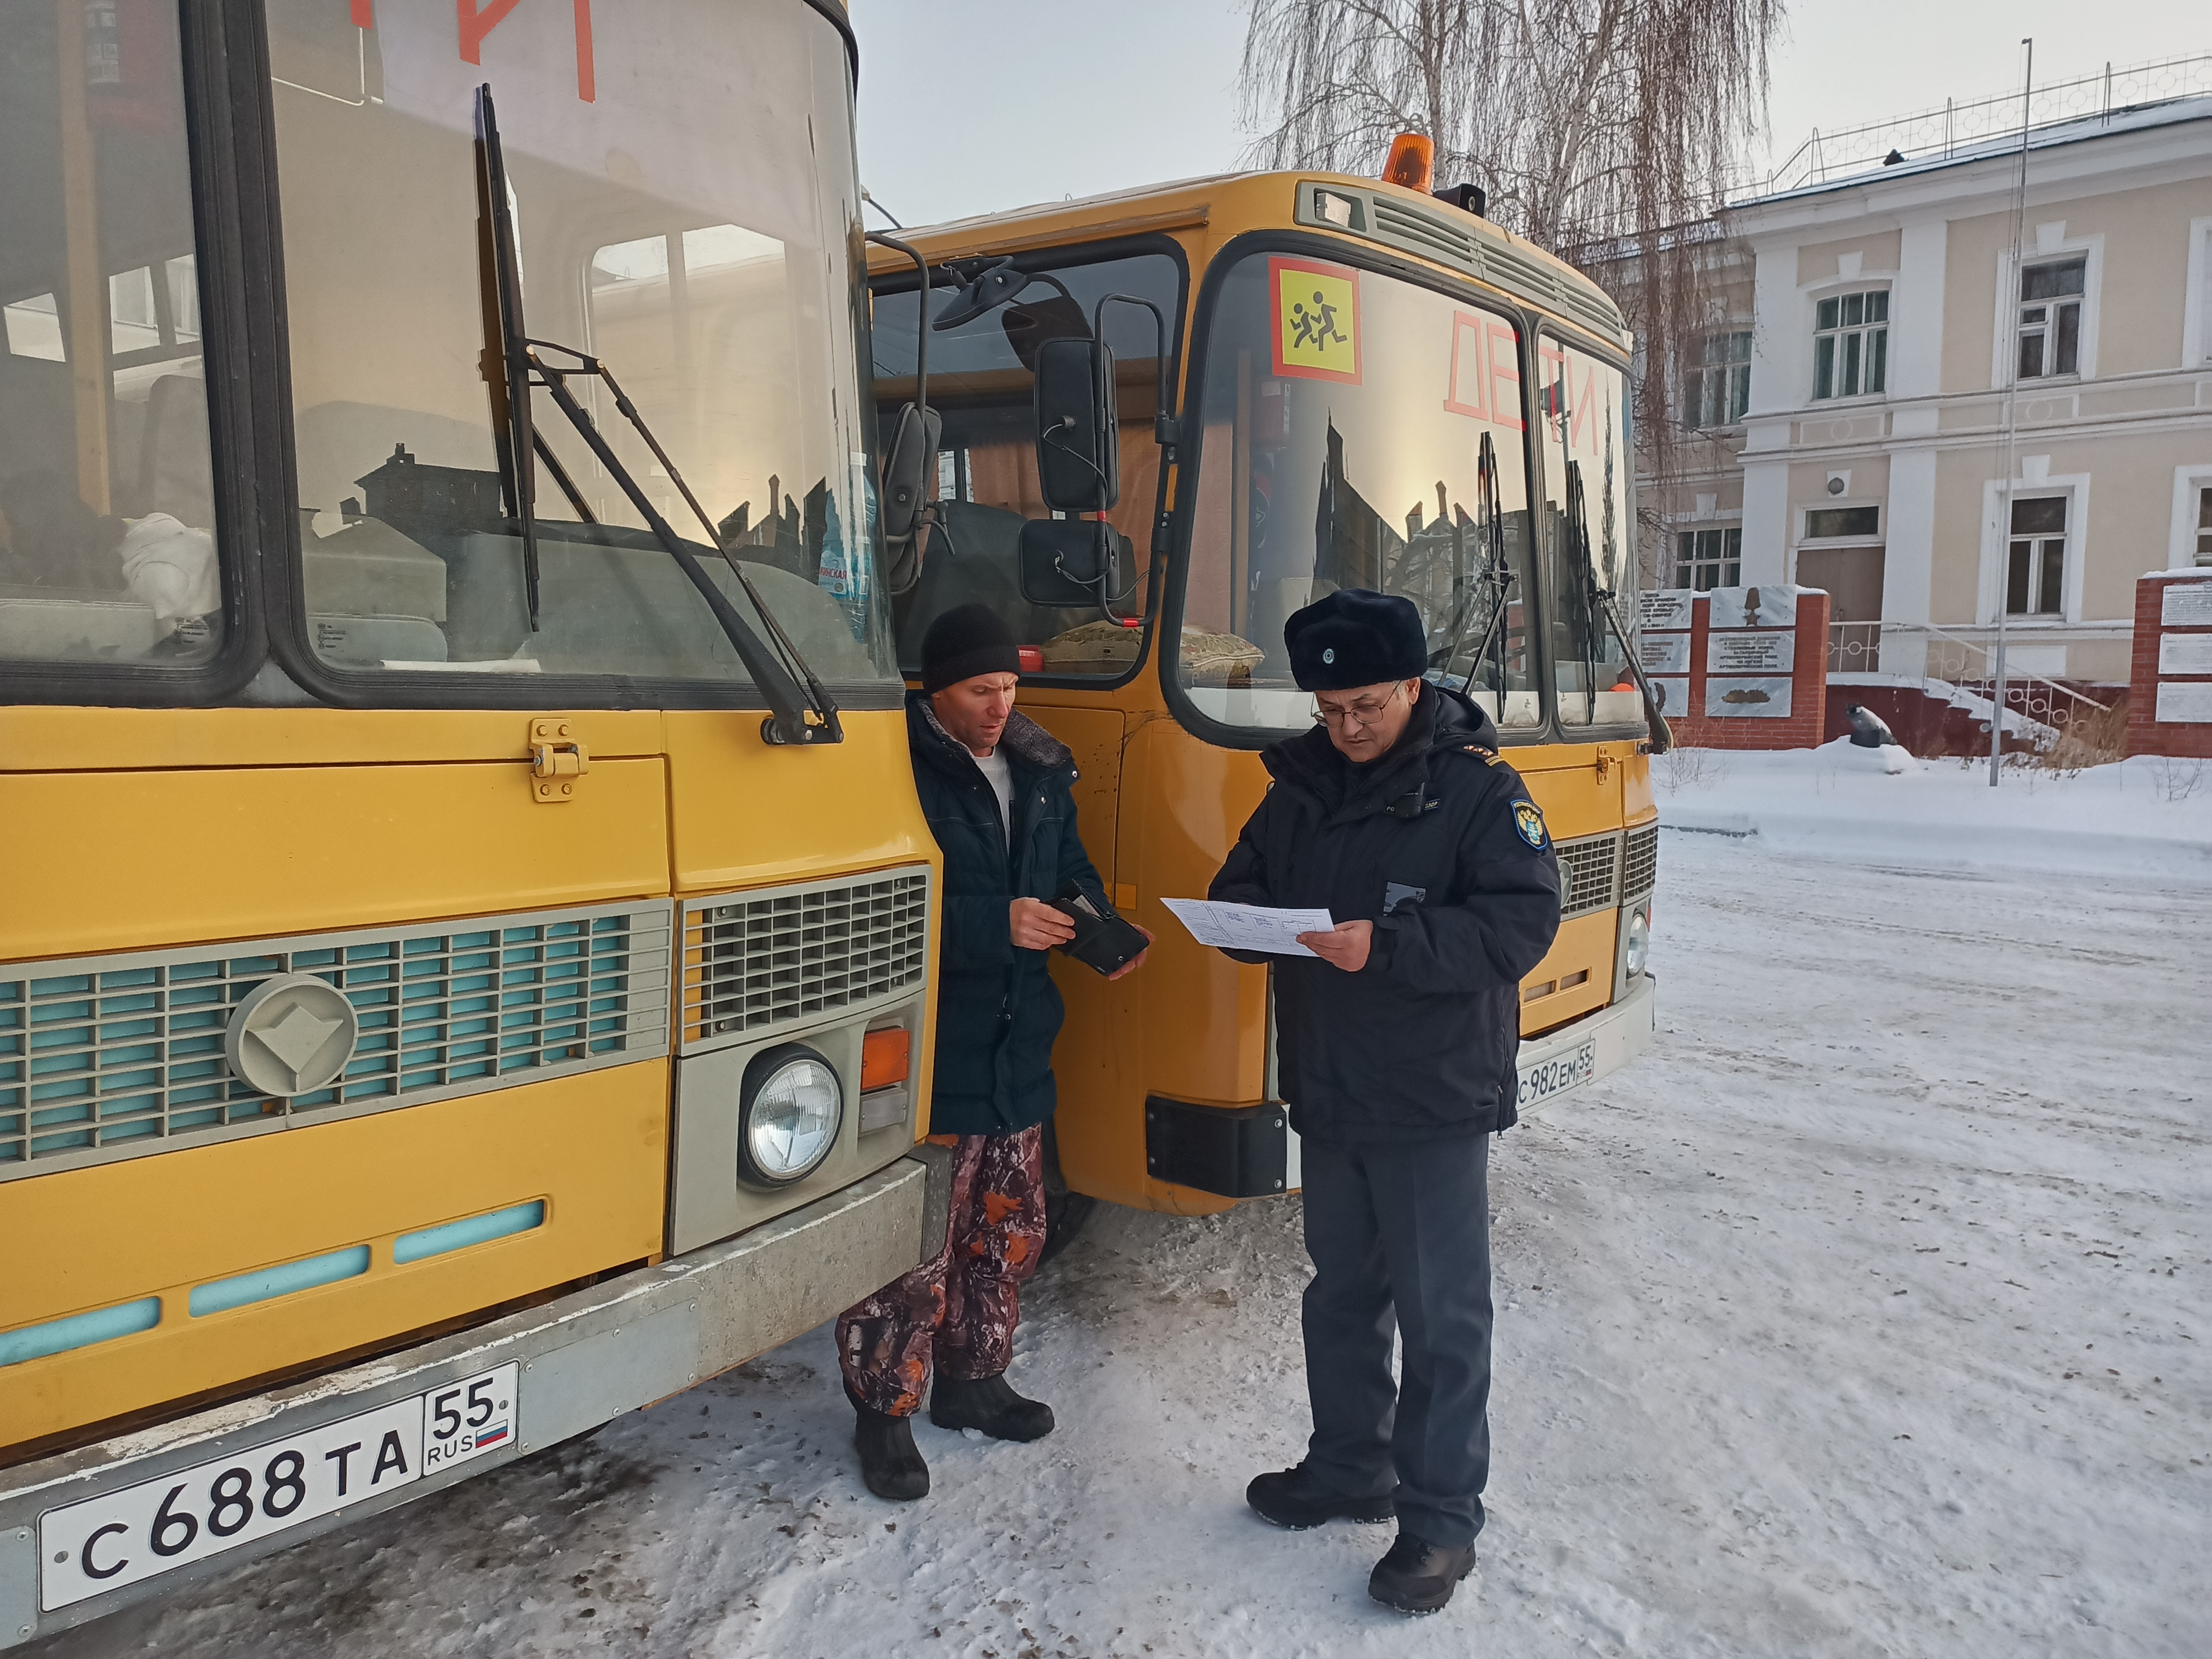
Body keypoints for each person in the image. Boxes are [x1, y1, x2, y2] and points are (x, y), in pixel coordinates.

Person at [1206, 589, 1561, 1615]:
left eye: (1365, 705)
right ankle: (1349, 1465)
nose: (1347, 728)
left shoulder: (1479, 794)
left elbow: (1522, 923)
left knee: (1441, 1316)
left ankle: (1442, 1523)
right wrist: (1243, 923)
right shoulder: (1299, 788)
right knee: (1341, 1294)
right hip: (1331, 1085)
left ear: (1414, 686)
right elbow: (1244, 882)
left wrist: (1389, 946)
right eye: (1328, 710)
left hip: (1432, 1097)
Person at [836, 602, 1148, 1501]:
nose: (1000, 705)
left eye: (1011, 686)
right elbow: (865, 908)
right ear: (935, 690)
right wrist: (991, 922)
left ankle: (974, 1383)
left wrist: (1098, 932)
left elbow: (1070, 873)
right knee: (911, 1251)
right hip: (931, 1052)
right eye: (981, 689)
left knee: (1007, 1234)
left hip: (1019, 1047)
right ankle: (884, 1410)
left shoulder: (1040, 768)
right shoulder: (890, 770)